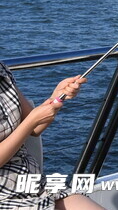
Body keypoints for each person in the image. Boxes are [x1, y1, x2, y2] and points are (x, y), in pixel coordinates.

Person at [1, 63, 103, 210]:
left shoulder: (2, 72)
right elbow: (31, 123)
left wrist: (56, 98)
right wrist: (31, 121)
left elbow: (35, 129)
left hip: (30, 182)